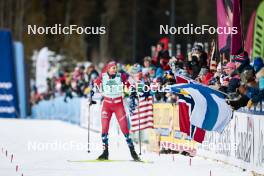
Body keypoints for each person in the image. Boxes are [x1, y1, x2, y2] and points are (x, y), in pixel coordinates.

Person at [94, 61, 140, 161]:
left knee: (125, 129)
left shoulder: (121, 76)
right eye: (113, 68)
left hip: (118, 105)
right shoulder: (103, 76)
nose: (115, 69)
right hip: (107, 105)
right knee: (104, 129)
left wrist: (132, 91)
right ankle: (105, 153)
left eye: (115, 67)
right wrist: (92, 92)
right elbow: (95, 85)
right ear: (108, 69)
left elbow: (128, 85)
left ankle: (133, 152)